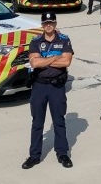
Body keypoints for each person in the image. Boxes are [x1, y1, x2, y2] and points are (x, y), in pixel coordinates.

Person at [23, 12, 75, 170]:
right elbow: (34, 63)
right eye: (46, 23)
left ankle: (62, 153)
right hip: (39, 86)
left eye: (51, 22)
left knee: (59, 120)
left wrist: (44, 60)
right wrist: (55, 58)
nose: (48, 25)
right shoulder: (36, 41)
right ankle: (34, 156)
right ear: (42, 25)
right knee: (37, 122)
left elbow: (66, 61)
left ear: (55, 23)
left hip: (56, 86)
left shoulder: (64, 39)